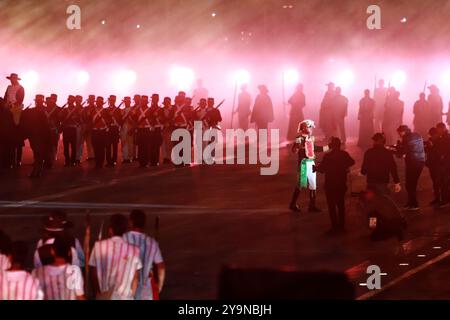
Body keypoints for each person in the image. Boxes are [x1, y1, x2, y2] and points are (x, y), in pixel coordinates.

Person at [89, 214, 142, 300]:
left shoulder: (98, 246)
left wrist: (98, 293)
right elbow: (135, 278)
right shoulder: (134, 250)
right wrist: (131, 295)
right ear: (125, 231)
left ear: (110, 230)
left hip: (104, 296)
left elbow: (94, 274)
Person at [123, 210, 165, 300]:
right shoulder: (152, 242)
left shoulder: (123, 238)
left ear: (131, 222)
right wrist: (159, 286)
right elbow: (161, 266)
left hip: (125, 287)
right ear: (144, 224)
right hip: (145, 289)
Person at [316, 137, 355, 233]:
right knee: (341, 205)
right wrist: (345, 166)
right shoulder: (344, 154)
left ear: (331, 146)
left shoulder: (327, 156)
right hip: (341, 183)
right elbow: (352, 162)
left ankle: (335, 227)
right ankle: (342, 227)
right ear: (339, 145)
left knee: (332, 206)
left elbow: (322, 169)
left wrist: (316, 168)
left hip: (330, 184)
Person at [289, 120, 329, 213]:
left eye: (311, 127)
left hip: (311, 163)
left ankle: (312, 206)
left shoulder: (311, 138)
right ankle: (293, 204)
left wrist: (329, 146)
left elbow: (316, 148)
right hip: (303, 164)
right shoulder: (299, 138)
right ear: (304, 128)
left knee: (313, 185)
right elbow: (294, 150)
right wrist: (297, 147)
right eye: (309, 127)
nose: (311, 129)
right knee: (300, 185)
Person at [32, 236, 85, 300]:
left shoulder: (37, 272)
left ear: (52, 252)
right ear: (69, 253)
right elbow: (80, 296)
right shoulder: (74, 271)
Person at [20, 94, 52, 178]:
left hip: (37, 135)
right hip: (38, 135)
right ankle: (37, 171)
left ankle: (36, 171)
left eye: (39, 101)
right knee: (38, 154)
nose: (38, 102)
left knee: (38, 154)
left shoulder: (32, 111)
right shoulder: (42, 111)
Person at [395, 125, 425, 210]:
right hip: (420, 161)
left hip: (412, 163)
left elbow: (402, 153)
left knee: (410, 184)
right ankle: (410, 203)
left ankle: (414, 204)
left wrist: (397, 149)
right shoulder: (418, 135)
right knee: (412, 183)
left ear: (402, 131)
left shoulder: (406, 138)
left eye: (399, 133)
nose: (399, 135)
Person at [425, 127, 445, 207]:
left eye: (431, 135)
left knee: (440, 183)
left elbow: (439, 154)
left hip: (438, 166)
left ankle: (443, 199)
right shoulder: (432, 141)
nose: (430, 136)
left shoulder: (440, 142)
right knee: (435, 183)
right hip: (432, 165)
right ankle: (437, 198)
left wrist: (431, 146)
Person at [60, 95, 80, 167]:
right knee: (66, 147)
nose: (69, 101)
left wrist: (75, 118)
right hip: (66, 129)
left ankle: (73, 160)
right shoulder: (65, 110)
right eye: (69, 100)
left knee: (73, 146)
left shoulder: (77, 110)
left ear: (73, 101)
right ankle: (67, 160)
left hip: (73, 129)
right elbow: (61, 119)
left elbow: (80, 119)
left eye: (71, 100)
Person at [133, 95, 152, 168]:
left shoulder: (150, 110)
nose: (144, 102)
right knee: (140, 147)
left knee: (146, 147)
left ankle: (146, 162)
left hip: (147, 129)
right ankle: (141, 162)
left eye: (145, 101)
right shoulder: (137, 109)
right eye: (143, 101)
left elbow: (152, 120)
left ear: (147, 102)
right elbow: (134, 119)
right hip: (140, 129)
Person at [90, 96, 108, 168]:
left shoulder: (105, 111)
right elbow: (89, 119)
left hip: (102, 131)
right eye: (98, 102)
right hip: (94, 131)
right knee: (95, 148)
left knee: (102, 148)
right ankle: (97, 163)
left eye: (100, 102)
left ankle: (100, 163)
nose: (99, 103)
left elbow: (109, 121)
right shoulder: (92, 110)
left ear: (102, 103)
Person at [434, 123, 450, 207]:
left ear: (443, 128)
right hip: (444, 163)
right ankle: (445, 199)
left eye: (438, 129)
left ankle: (445, 200)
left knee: (444, 182)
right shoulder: (443, 137)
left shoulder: (446, 138)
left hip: (445, 164)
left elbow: (443, 151)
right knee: (444, 182)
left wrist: (442, 157)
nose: (437, 131)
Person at [44, 96, 61, 168]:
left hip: (54, 129)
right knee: (46, 146)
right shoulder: (43, 109)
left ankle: (52, 159)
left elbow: (60, 119)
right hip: (45, 130)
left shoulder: (58, 109)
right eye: (47, 102)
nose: (48, 103)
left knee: (54, 145)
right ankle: (46, 159)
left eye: (49, 102)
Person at [105, 95, 122, 167]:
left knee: (115, 146)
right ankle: (108, 161)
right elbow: (104, 120)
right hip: (108, 129)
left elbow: (120, 120)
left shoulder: (118, 110)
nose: (111, 101)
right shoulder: (105, 110)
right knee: (108, 146)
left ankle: (114, 160)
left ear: (114, 101)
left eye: (113, 100)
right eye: (110, 100)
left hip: (115, 128)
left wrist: (114, 117)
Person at [120, 97, 134, 164]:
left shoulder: (133, 110)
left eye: (128, 101)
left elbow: (135, 119)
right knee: (124, 143)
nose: (126, 103)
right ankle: (125, 158)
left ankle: (130, 157)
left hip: (130, 128)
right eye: (125, 101)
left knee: (130, 143)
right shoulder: (121, 110)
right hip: (123, 128)